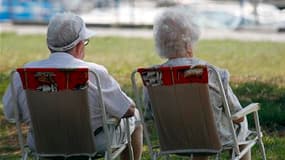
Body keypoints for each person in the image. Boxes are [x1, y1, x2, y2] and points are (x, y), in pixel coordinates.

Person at [2, 12, 142, 160]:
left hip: (43, 142)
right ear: (80, 45)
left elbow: (11, 114)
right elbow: (128, 110)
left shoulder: (24, 73)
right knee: (136, 117)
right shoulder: (93, 73)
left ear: (49, 45)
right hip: (91, 143)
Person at [143, 8, 251, 160]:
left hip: (173, 141)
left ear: (160, 45)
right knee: (241, 126)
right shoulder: (213, 73)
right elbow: (236, 114)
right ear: (188, 44)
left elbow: (149, 114)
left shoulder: (153, 76)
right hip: (214, 140)